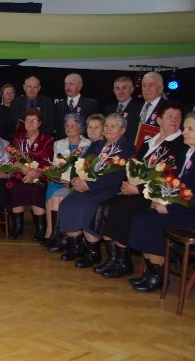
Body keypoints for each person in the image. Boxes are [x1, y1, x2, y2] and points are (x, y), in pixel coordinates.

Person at [127, 111, 195, 292]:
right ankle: (151, 271)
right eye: (184, 128)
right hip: (185, 207)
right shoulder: (190, 152)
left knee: (153, 223)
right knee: (141, 219)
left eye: (190, 128)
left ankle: (157, 276)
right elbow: (177, 184)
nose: (184, 132)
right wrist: (160, 197)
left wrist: (170, 209)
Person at [91, 102, 187, 279]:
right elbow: (134, 166)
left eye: (178, 117)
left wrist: (139, 188)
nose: (174, 120)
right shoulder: (149, 142)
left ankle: (123, 262)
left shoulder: (181, 145)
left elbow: (169, 176)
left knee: (122, 210)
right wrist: (127, 183)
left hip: (158, 195)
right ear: (159, 120)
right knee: (104, 207)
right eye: (170, 116)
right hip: (138, 192)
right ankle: (115, 258)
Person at [57, 113, 136, 268]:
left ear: (123, 130)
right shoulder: (97, 145)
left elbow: (117, 175)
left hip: (109, 189)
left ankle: (93, 252)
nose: (108, 129)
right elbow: (78, 163)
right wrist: (74, 180)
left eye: (113, 126)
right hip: (87, 187)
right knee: (67, 203)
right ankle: (76, 246)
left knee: (89, 207)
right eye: (106, 125)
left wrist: (90, 186)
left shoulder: (126, 147)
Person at [45, 113, 91, 250]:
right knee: (52, 188)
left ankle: (57, 234)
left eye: (73, 125)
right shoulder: (58, 144)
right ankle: (51, 231)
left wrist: (71, 180)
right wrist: (55, 174)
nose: (69, 128)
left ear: (80, 128)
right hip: (60, 179)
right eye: (67, 125)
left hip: (77, 181)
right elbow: (55, 164)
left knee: (57, 194)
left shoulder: (88, 144)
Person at [8, 108, 54, 241]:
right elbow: (13, 160)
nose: (30, 123)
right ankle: (17, 227)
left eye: (34, 120)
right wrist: (26, 170)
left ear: (40, 123)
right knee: (16, 187)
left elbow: (47, 162)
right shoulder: (18, 138)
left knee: (36, 189)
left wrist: (35, 174)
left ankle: (40, 228)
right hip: (20, 174)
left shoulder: (47, 139)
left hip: (40, 175)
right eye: (27, 120)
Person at [54, 73, 99, 139]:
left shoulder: (90, 104)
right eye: (66, 84)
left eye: (71, 84)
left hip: (84, 145)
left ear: (80, 86)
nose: (67, 87)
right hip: (63, 145)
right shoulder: (58, 106)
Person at [103, 76, 143, 142]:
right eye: (117, 88)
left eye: (124, 88)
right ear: (114, 91)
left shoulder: (140, 108)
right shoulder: (109, 109)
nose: (120, 91)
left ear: (132, 89)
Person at [132, 72, 166, 142]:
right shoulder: (134, 107)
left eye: (151, 85)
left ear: (160, 88)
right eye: (144, 85)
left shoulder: (168, 108)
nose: (147, 89)